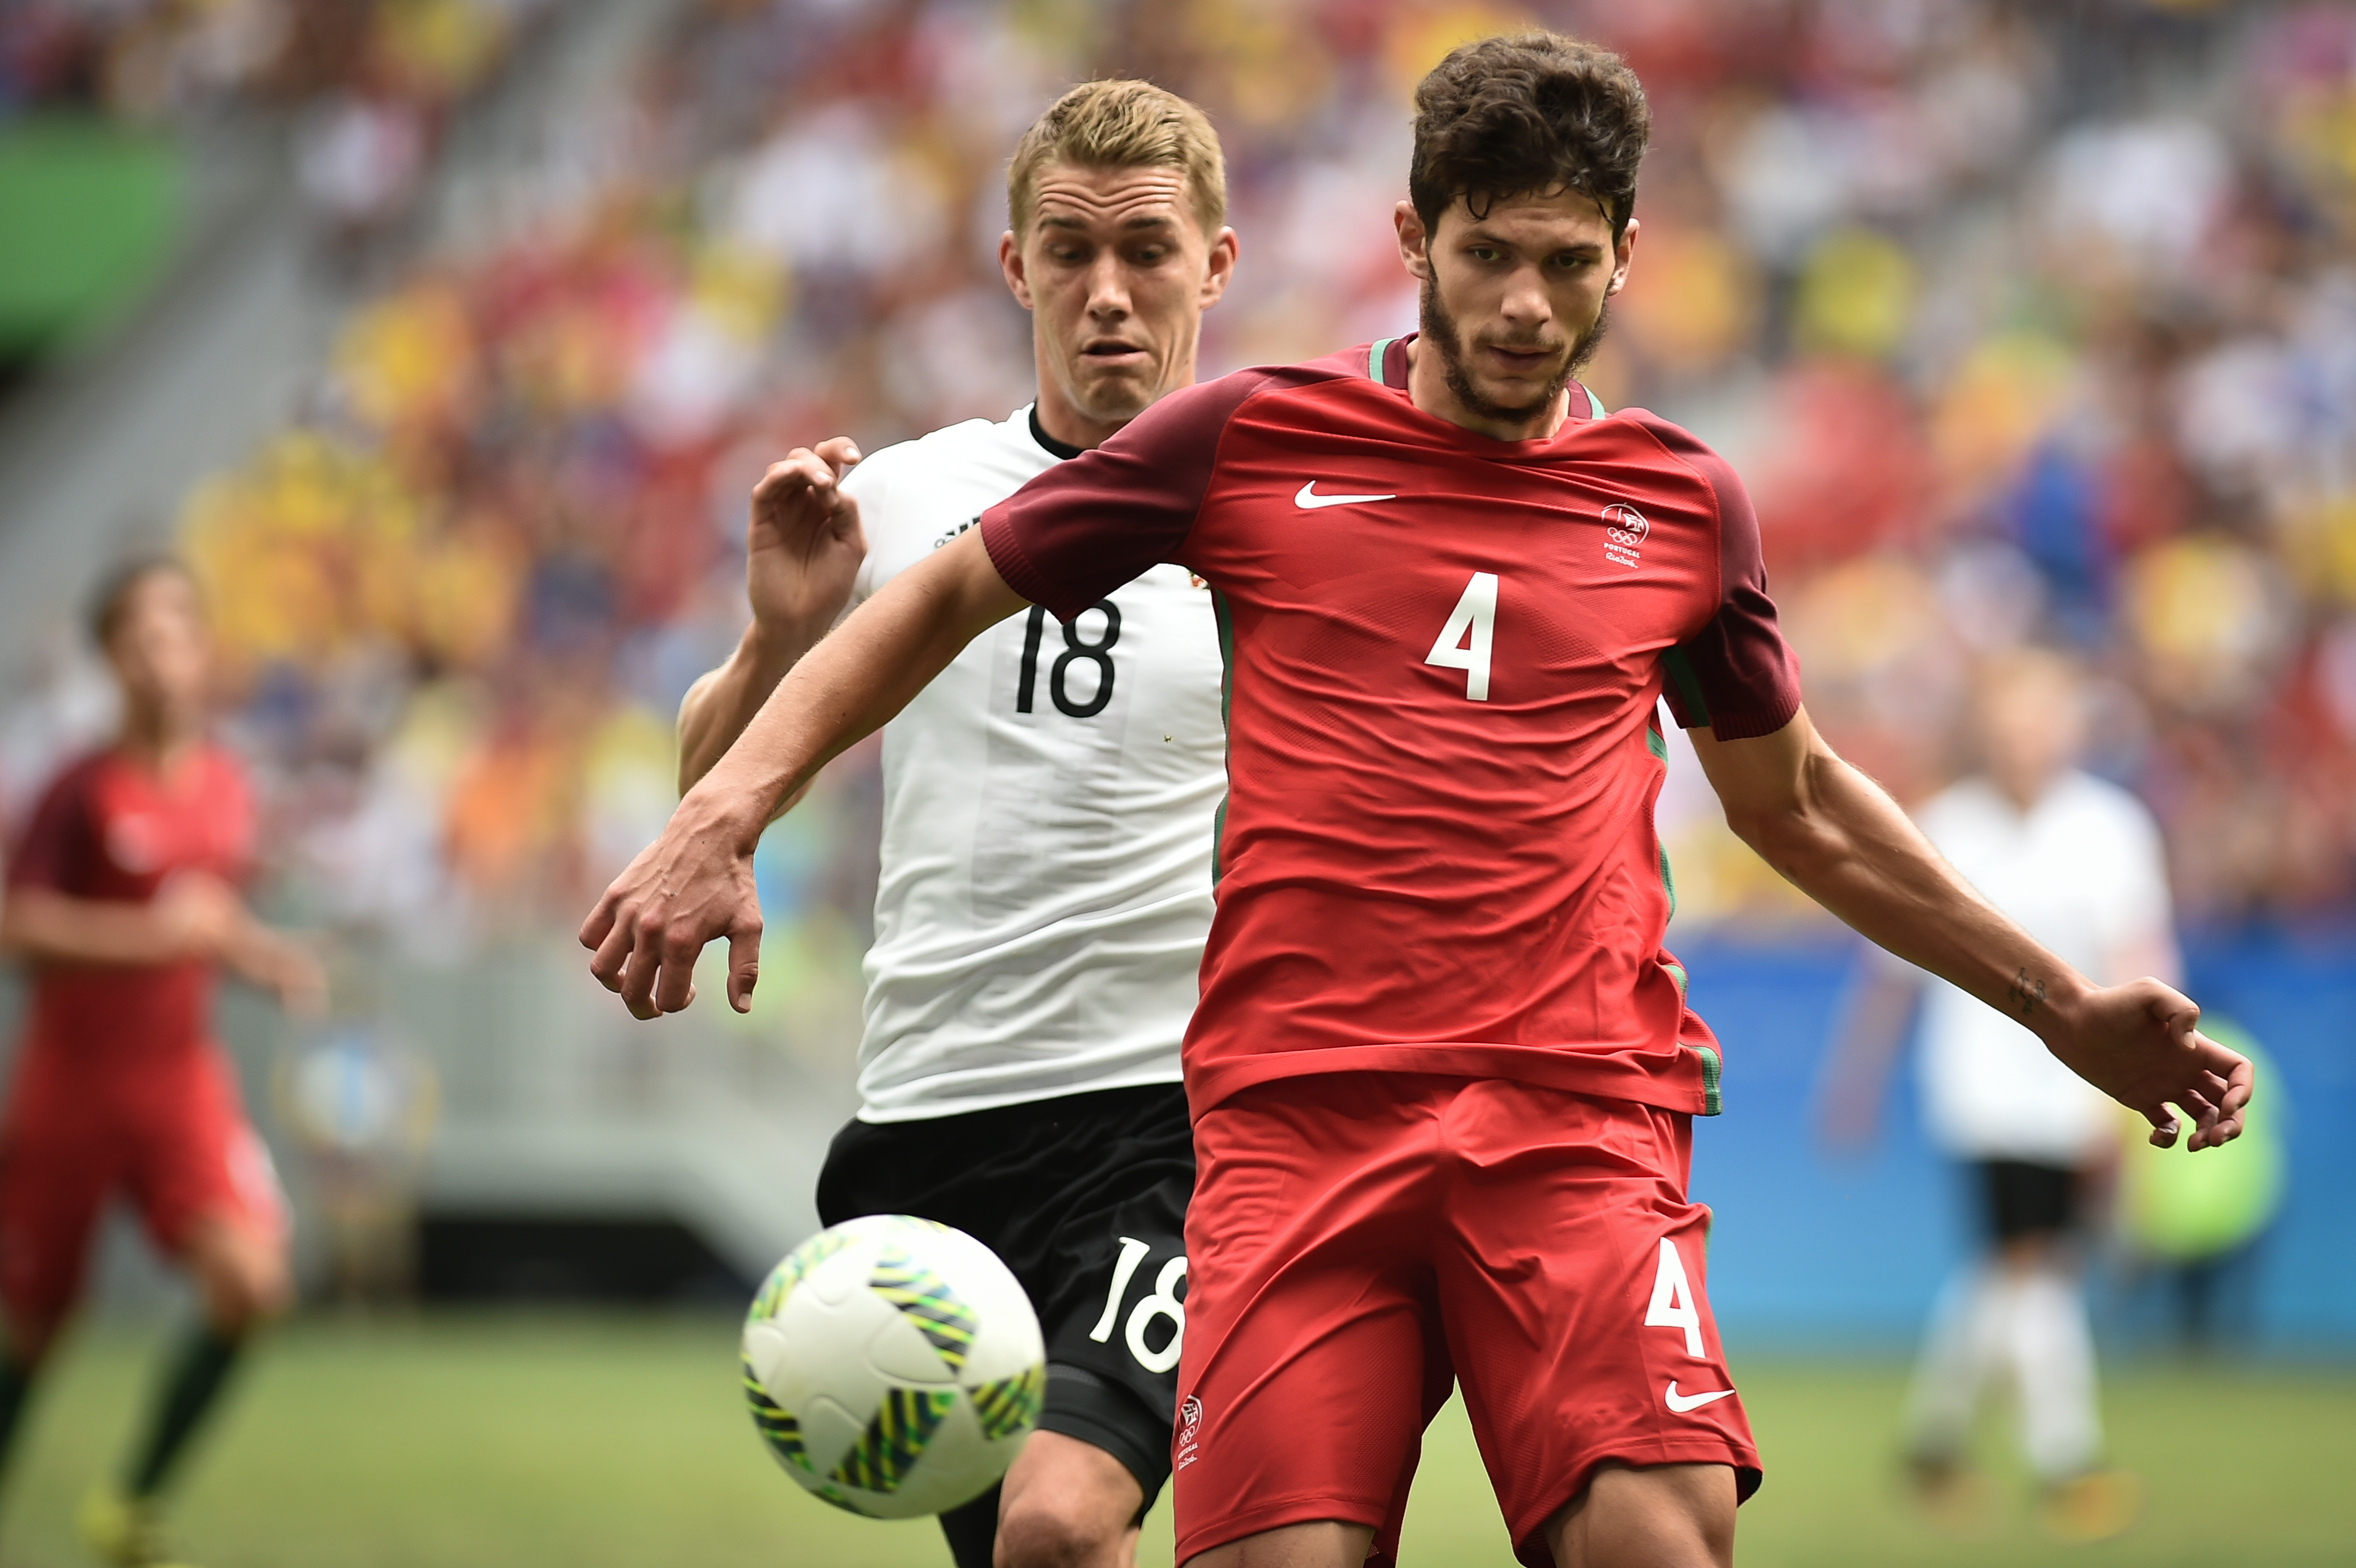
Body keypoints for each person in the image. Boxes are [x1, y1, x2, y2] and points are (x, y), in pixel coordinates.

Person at [583, 33, 2251, 1568]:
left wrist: (2055, 1003)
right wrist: (728, 804)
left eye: (1564, 262)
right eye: (1486, 256)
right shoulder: (1246, 443)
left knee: (1655, 1539)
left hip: (1575, 1123)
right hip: (1297, 1138)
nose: (1524, 305)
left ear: (1623, 257)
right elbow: (942, 595)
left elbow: (1795, 801)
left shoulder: (1679, 505)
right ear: (1413, 236)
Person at [672, 80, 1237, 1568]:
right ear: (1013, 268)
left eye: (1148, 252)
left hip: (1160, 1128)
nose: (1106, 293)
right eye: (1068, 253)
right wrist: (775, 637)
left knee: (1058, 1522)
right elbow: (708, 785)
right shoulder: (911, 497)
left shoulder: (1270, 517)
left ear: (1217, 266)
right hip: (927, 1121)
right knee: (1028, 1558)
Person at [1818, 649, 2186, 1541]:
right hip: (1981, 1085)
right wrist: (1854, 1078)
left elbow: (2143, 954)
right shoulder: (1948, 825)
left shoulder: (2110, 828)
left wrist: (2161, 1066)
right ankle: (2070, 1461)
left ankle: (1932, 1447)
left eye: (2042, 720)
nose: (2026, 740)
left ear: (2071, 727)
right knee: (2035, 1264)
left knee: (2008, 1272)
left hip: (2078, 1090)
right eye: (2011, 723)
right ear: (1987, 730)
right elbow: (1890, 970)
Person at [0, 556, 322, 1568]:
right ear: (110, 657)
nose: (161, 651)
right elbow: (19, 925)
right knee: (34, 1331)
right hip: (72, 1091)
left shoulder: (226, 787)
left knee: (254, 1285)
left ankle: (127, 1504)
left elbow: (203, 920)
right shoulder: (77, 790)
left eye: (178, 628)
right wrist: (160, 937)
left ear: (202, 644)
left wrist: (261, 956)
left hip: (182, 1081)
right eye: (138, 634)